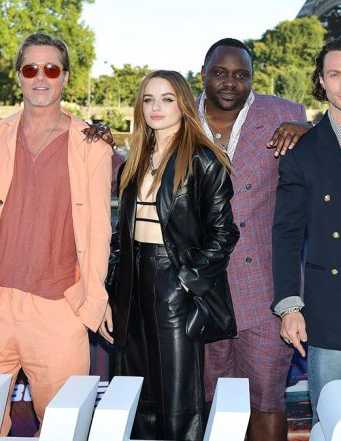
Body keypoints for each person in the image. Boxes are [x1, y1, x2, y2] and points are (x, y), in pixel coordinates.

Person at [99, 70, 239, 440]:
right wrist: (110, 293)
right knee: (133, 394)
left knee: (177, 402)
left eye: (166, 98)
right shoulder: (135, 158)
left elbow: (225, 233)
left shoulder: (204, 159)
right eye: (148, 99)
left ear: (183, 104)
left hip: (174, 282)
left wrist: (185, 283)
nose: (156, 107)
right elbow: (120, 235)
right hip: (131, 284)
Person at [0, 33, 112, 436]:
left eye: (51, 69)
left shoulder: (91, 145)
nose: (41, 77)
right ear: (19, 77)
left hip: (59, 310)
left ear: (65, 78)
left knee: (64, 428)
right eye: (31, 69)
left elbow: (98, 230)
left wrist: (93, 299)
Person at [196, 38, 308, 441]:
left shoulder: (285, 114)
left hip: (263, 289)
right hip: (199, 290)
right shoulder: (177, 116)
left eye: (241, 75)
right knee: (211, 402)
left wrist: (310, 129)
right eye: (221, 73)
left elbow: (334, 143)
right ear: (203, 74)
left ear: (252, 79)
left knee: (266, 401)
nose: (231, 82)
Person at [272, 36, 341, 423]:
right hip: (335, 310)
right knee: (335, 424)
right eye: (335, 75)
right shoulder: (302, 152)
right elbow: (285, 235)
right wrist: (288, 305)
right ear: (321, 80)